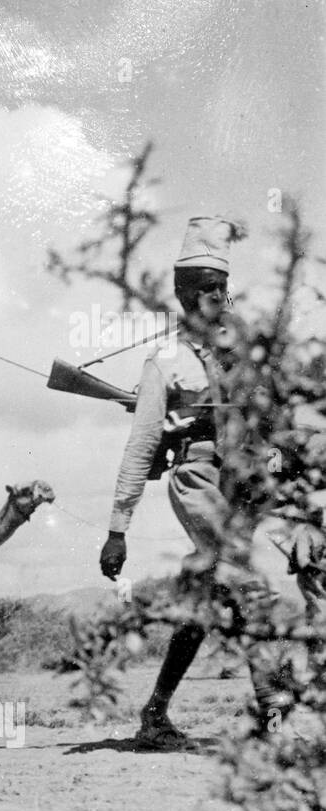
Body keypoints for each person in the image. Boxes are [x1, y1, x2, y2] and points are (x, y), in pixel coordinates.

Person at [99, 215, 286, 748]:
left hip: (241, 483)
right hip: (197, 477)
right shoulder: (163, 360)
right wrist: (118, 527)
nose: (217, 298)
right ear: (182, 296)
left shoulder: (240, 351)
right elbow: (141, 445)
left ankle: (153, 715)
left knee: (206, 603)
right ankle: (270, 715)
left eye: (222, 288)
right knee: (247, 582)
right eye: (206, 289)